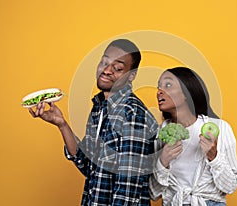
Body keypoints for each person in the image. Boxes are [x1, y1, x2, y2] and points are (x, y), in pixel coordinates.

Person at [29, 39, 158, 205]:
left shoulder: (132, 115)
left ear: (131, 76)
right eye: (104, 62)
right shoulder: (99, 109)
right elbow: (89, 167)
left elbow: (127, 193)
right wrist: (62, 125)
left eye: (117, 68)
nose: (107, 70)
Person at [149, 67, 237, 206]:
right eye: (159, 86)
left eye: (168, 85)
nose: (159, 91)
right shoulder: (159, 135)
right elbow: (153, 194)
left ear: (187, 92)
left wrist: (213, 156)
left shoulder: (219, 128)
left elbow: (231, 186)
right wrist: (163, 162)